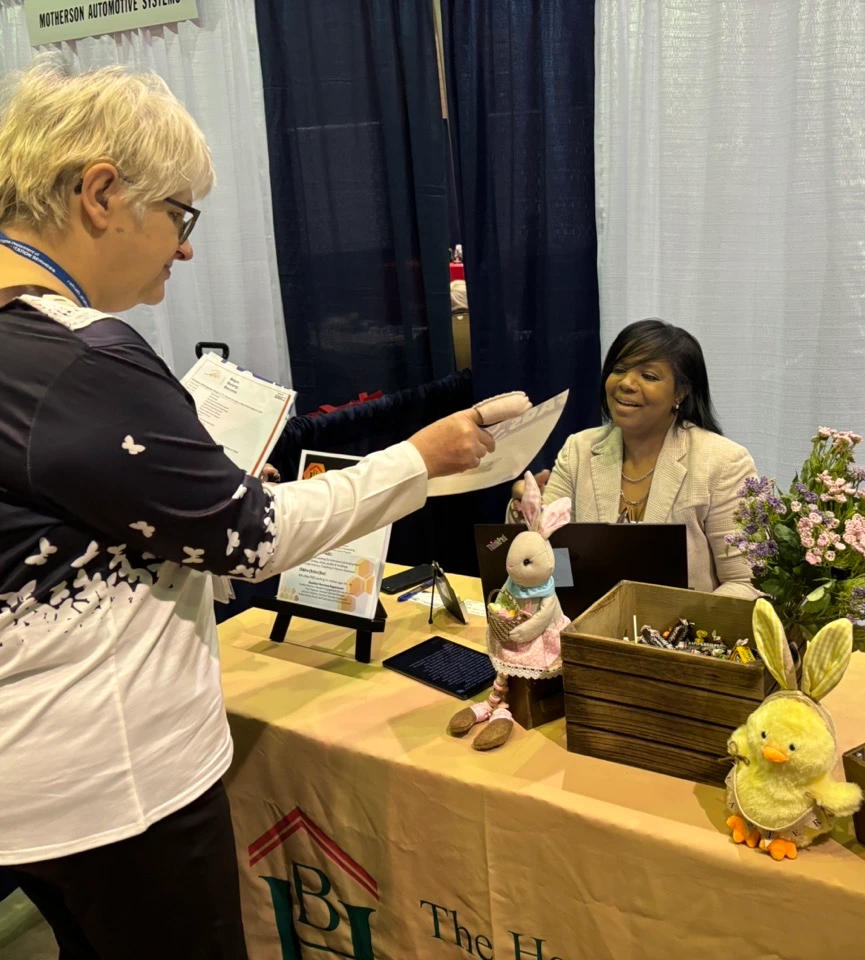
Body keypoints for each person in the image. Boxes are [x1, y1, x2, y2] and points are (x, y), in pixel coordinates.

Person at [0, 57, 520, 959]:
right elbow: (254, 542)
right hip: (116, 786)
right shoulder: (80, 359)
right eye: (179, 215)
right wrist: (419, 459)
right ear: (100, 193)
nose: (187, 247)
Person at [509, 319, 758, 598]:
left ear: (680, 393)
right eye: (619, 369)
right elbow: (548, 560)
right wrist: (525, 510)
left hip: (684, 633)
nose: (626, 383)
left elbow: (745, 583)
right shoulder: (579, 449)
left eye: (649, 376)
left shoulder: (724, 462)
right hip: (584, 626)